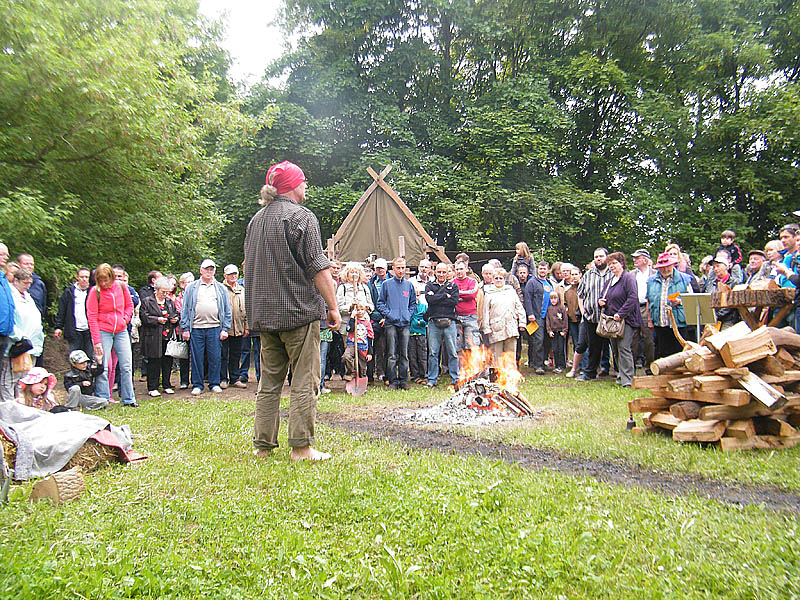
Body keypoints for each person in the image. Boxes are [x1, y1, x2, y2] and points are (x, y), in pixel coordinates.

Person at [244, 160, 340, 462]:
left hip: (265, 317)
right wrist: (333, 307)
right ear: (292, 186)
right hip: (298, 314)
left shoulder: (255, 221)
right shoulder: (302, 217)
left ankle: (263, 445)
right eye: (303, 181)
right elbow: (318, 267)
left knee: (269, 382)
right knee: (304, 380)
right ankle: (301, 447)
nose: (307, 185)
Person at [87, 263, 137, 407]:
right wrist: (96, 341)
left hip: (121, 330)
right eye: (100, 280)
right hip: (103, 330)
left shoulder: (121, 287)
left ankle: (129, 399)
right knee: (104, 365)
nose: (103, 283)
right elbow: (92, 316)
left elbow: (129, 305)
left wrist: (125, 319)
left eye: (106, 280)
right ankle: (102, 398)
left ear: (112, 278)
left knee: (126, 365)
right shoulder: (94, 292)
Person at [179, 259, 232, 396]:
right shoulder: (192, 287)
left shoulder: (220, 288)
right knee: (197, 357)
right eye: (206, 269)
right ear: (201, 270)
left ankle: (214, 383)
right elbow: (185, 309)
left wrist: (225, 328)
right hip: (196, 327)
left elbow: (227, 310)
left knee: (215, 357)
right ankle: (197, 384)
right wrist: (185, 328)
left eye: (211, 269)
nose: (209, 272)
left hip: (215, 327)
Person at [598, 252, 642, 387]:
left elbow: (633, 298)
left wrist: (621, 313)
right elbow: (603, 296)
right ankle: (620, 376)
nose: (612, 266)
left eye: (614, 263)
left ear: (622, 264)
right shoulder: (609, 281)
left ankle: (628, 380)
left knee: (624, 348)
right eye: (610, 264)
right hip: (612, 322)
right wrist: (600, 301)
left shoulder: (628, 278)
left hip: (627, 320)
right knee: (615, 350)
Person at [377, 257, 416, 390]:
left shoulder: (409, 285)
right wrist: (389, 314)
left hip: (404, 323)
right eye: (398, 268)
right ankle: (392, 381)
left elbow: (412, 304)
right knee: (391, 353)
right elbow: (380, 303)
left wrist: (408, 315)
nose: (400, 270)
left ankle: (404, 380)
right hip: (391, 323)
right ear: (393, 269)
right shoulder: (386, 284)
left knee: (404, 353)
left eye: (403, 268)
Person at [646, 252, 692, 359]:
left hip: (678, 322)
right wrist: (649, 320)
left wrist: (679, 301)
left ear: (673, 265)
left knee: (679, 352)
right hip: (660, 322)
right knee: (661, 351)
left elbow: (691, 299)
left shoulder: (684, 279)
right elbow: (649, 300)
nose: (665, 270)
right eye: (662, 268)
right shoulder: (651, 281)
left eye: (667, 267)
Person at [576, 248, 612, 381]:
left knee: (614, 346)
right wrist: (583, 311)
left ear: (606, 257)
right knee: (593, 347)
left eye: (601, 256)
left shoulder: (613, 273)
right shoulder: (588, 275)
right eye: (596, 256)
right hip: (591, 317)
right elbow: (580, 295)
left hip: (610, 318)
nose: (598, 259)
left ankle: (618, 372)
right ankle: (590, 373)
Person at [141, 276, 179, 396]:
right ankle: (153, 387)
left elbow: (175, 314)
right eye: (163, 292)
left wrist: (175, 319)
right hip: (153, 337)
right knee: (154, 362)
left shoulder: (170, 302)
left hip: (167, 336)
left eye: (167, 292)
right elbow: (144, 317)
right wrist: (157, 319)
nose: (165, 294)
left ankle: (166, 384)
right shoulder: (147, 301)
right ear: (156, 289)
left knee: (167, 362)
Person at [425, 262, 460, 388]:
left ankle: (455, 378)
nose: (441, 274)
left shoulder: (453, 286)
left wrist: (436, 297)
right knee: (433, 353)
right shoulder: (430, 285)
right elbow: (430, 301)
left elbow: (454, 301)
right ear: (435, 272)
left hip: (450, 322)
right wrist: (445, 296)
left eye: (444, 272)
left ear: (448, 273)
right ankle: (432, 379)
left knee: (452, 352)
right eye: (439, 272)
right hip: (434, 322)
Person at [483, 268, 526, 365]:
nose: (498, 280)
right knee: (496, 356)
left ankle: (511, 376)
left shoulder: (511, 291)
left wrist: (522, 322)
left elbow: (519, 307)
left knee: (510, 354)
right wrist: (486, 328)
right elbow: (485, 312)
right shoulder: (489, 294)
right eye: (496, 278)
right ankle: (497, 377)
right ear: (493, 279)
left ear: (504, 279)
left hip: (510, 326)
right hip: (496, 328)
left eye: (501, 278)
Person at [54, 267, 94, 359]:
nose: (84, 279)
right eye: (82, 277)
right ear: (77, 277)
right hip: (74, 330)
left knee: (89, 357)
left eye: (86, 277)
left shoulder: (93, 291)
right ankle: (76, 373)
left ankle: (87, 373)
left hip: (90, 331)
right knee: (75, 358)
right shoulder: (69, 292)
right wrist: (58, 327)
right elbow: (62, 310)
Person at [220, 264, 248, 389]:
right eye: (230, 274)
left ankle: (234, 378)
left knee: (236, 354)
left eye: (235, 273)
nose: (233, 276)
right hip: (224, 328)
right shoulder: (220, 289)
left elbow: (246, 309)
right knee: (223, 354)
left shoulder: (242, 289)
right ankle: (222, 378)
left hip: (239, 327)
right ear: (225, 275)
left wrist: (247, 327)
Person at [523, 261, 553, 374]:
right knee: (538, 340)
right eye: (540, 268)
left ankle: (543, 362)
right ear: (538, 270)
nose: (542, 270)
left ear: (548, 270)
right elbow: (527, 299)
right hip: (537, 316)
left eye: (544, 269)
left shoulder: (549, 283)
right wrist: (530, 313)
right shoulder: (532, 282)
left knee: (547, 340)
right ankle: (538, 365)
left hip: (548, 317)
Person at [630, 249, 655, 373]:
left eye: (637, 258)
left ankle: (650, 366)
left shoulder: (654, 274)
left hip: (647, 307)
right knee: (632, 338)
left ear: (645, 259)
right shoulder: (631, 274)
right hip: (634, 308)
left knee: (648, 338)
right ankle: (631, 367)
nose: (634, 260)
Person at [702, 252, 742, 330]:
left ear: (726, 267)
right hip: (712, 319)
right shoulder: (711, 283)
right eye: (714, 267)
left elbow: (732, 304)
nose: (715, 269)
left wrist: (717, 315)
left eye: (718, 266)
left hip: (729, 319)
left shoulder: (734, 283)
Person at [367, 258, 389, 384]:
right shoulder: (370, 284)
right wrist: (379, 318)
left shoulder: (392, 282)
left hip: (389, 320)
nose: (380, 270)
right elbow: (370, 304)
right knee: (371, 348)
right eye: (377, 268)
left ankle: (386, 375)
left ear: (386, 268)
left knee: (388, 349)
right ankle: (370, 377)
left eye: (382, 268)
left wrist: (386, 317)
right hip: (374, 320)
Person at [453, 260, 481, 355]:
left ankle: (474, 368)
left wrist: (457, 293)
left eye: (461, 269)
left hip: (470, 317)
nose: (459, 271)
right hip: (455, 317)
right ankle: (461, 369)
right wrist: (463, 294)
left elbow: (472, 294)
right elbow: (449, 295)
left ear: (466, 269)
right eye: (457, 269)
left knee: (472, 345)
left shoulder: (473, 281)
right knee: (457, 347)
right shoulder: (451, 283)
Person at [0, 242, 16, 402]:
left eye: (6, 254)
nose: (5, 257)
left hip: (4, 333)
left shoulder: (3, 279)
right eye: (2, 254)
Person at [342, 300, 373, 382]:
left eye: (362, 310)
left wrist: (370, 352)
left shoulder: (367, 323)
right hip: (352, 344)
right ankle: (350, 373)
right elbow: (350, 329)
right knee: (346, 357)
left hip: (363, 346)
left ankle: (362, 383)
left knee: (362, 367)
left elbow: (370, 337)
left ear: (365, 310)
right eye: (358, 310)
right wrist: (352, 317)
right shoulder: (352, 320)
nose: (360, 312)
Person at [175, 272, 194, 389]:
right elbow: (181, 313)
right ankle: (184, 380)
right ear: (182, 284)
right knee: (184, 357)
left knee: (197, 356)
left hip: (196, 330)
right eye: (188, 282)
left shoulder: (197, 296)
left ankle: (197, 379)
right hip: (182, 332)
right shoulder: (178, 299)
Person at [408, 286, 428, 383]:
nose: (415, 298)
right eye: (413, 296)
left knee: (422, 355)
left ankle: (423, 375)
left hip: (421, 333)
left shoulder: (423, 306)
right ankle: (414, 376)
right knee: (412, 355)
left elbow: (427, 319)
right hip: (411, 334)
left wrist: (421, 322)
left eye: (417, 295)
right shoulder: (408, 308)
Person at [545, 292, 568, 373]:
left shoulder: (562, 308)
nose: (553, 300)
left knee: (561, 349)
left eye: (555, 298)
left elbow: (565, 320)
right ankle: (557, 365)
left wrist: (564, 331)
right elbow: (547, 321)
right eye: (552, 298)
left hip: (560, 332)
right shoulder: (549, 309)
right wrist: (549, 331)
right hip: (553, 332)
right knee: (555, 349)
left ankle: (562, 365)